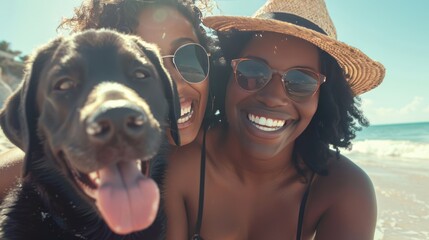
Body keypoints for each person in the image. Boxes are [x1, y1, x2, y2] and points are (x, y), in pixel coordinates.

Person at [163, 0, 385, 239]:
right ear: (226, 73)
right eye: (252, 72)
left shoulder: (344, 190)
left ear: (324, 98)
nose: (273, 97)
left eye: (301, 82)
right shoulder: (178, 163)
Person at [0, 0, 214, 212]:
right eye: (135, 69)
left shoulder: (230, 147)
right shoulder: (46, 160)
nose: (174, 85)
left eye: (188, 58)